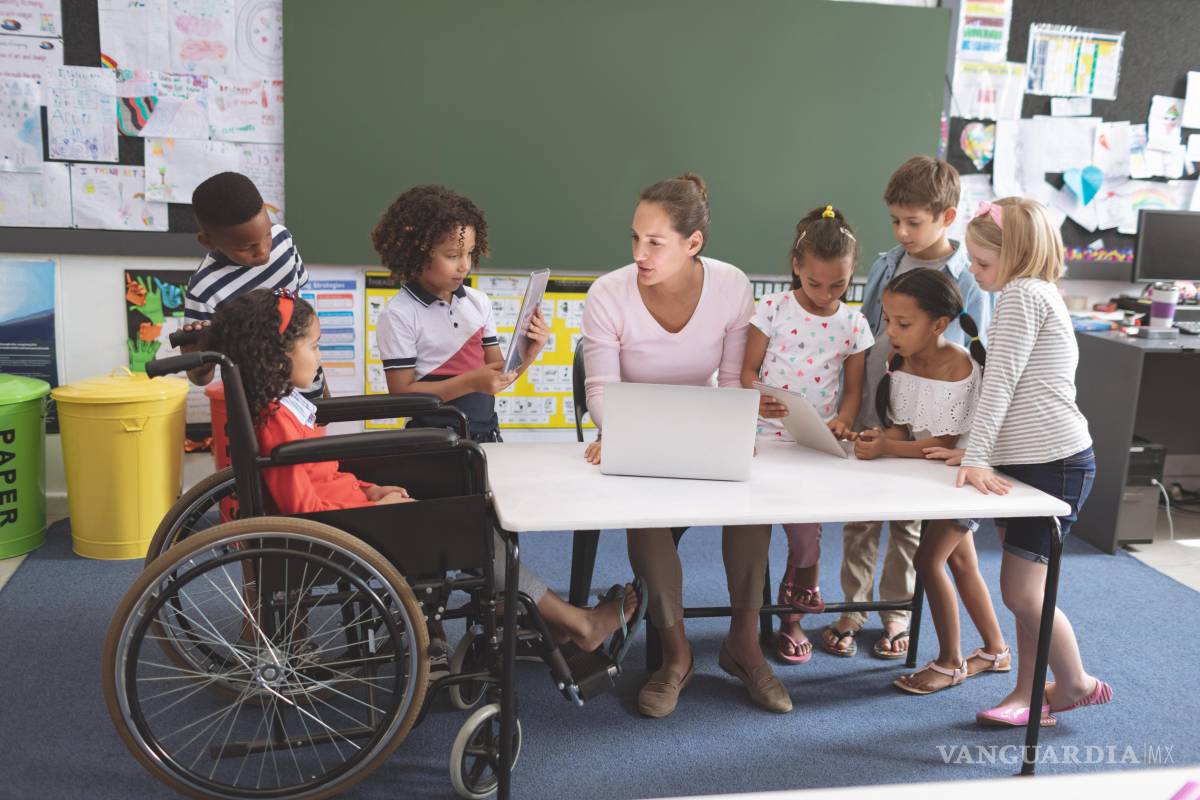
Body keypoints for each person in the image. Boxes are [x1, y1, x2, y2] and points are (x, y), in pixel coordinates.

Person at [206, 287, 638, 652]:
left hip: (350, 513)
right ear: (278, 356)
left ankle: (533, 608)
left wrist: (370, 490)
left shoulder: (281, 409)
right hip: (339, 533)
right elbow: (309, 506)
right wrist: (370, 501)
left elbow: (319, 477)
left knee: (474, 514)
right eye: (314, 346)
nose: (320, 358)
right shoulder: (279, 420)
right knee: (477, 529)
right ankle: (576, 624)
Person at [581, 173, 791, 716]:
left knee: (752, 508)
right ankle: (676, 657)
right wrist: (622, 434)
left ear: (692, 243)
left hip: (704, 426)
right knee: (648, 517)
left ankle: (743, 646)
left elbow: (731, 377)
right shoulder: (608, 292)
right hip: (638, 434)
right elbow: (601, 389)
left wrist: (735, 429)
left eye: (655, 242)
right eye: (635, 239)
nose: (640, 254)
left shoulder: (731, 285)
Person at [930, 198, 1111, 727]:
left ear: (1016, 256)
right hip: (1033, 460)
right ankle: (1029, 696)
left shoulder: (1022, 296)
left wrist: (980, 455)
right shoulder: (1033, 293)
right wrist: (976, 449)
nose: (976, 274)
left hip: (1055, 463)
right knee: (1025, 594)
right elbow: (1008, 386)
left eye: (983, 264)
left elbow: (1003, 383)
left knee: (1023, 593)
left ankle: (1075, 683)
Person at [823, 156, 992, 660]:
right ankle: (853, 607)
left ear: (946, 216)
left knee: (909, 524)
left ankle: (896, 611)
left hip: (931, 421)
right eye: (895, 220)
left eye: (913, 222)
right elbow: (869, 334)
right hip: (881, 403)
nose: (902, 231)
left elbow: (980, 353)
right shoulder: (886, 263)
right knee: (860, 518)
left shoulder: (969, 279)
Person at [853, 268, 1010, 696]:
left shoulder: (958, 364)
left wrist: (887, 450)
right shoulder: (897, 359)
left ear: (939, 324)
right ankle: (997, 650)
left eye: (903, 324)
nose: (892, 331)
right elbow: (905, 427)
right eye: (887, 320)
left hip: (962, 478)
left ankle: (950, 661)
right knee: (962, 563)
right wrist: (880, 438)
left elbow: (941, 443)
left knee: (928, 562)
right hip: (932, 480)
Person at [740, 205, 873, 664]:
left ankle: (792, 619)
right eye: (814, 283)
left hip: (814, 444)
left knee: (806, 539)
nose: (824, 294)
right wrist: (757, 396)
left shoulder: (854, 324)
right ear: (796, 266)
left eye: (838, 285)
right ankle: (746, 617)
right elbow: (747, 372)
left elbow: (854, 392)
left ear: (853, 273)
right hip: (763, 438)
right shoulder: (773, 308)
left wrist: (843, 421)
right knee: (752, 535)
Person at [370, 185, 549, 443]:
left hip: (487, 436)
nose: (464, 265)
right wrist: (471, 382)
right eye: (452, 255)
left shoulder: (479, 304)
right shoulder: (399, 314)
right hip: (432, 444)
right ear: (418, 251)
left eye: (469, 253)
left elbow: (496, 377)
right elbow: (402, 397)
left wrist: (528, 355)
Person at [180, 172, 323, 398]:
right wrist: (198, 358)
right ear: (208, 242)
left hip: (309, 391)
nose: (264, 251)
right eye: (247, 247)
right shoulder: (204, 289)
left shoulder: (283, 241)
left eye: (267, 235)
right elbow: (200, 378)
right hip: (258, 407)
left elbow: (302, 325)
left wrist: (324, 389)